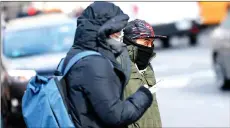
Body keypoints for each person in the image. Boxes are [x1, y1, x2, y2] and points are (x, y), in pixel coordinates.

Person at [64, 2, 154, 128]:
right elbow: (116, 116)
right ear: (104, 30)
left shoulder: (76, 54)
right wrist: (144, 95)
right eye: (116, 30)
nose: (119, 34)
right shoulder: (94, 64)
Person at [117, 19, 167, 128]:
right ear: (130, 41)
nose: (149, 47)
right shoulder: (118, 65)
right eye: (145, 42)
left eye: (151, 43)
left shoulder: (146, 66)